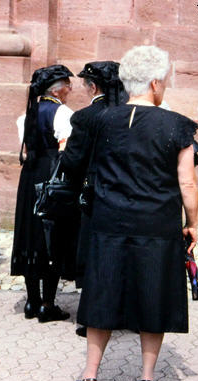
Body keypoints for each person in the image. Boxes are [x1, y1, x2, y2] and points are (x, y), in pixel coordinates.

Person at [69, 46, 198, 381]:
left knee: (102, 293)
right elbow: (186, 182)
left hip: (108, 220)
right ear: (155, 82)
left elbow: (73, 165)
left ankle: (90, 375)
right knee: (153, 295)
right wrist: (193, 223)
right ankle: (145, 378)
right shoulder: (177, 125)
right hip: (157, 224)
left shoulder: (98, 119)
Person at [60, 61, 126, 338]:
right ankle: (124, 313)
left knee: (93, 252)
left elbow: (73, 161)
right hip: (128, 194)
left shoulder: (86, 117)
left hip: (95, 193)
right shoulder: (129, 114)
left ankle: (93, 318)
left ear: (93, 86)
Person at [10, 65, 74, 323]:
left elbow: (24, 152)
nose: (70, 91)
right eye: (68, 86)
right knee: (52, 237)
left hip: (30, 178)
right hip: (51, 178)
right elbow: (66, 152)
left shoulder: (28, 114)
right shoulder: (63, 112)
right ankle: (48, 303)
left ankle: (30, 300)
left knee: (30, 234)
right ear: (58, 90)